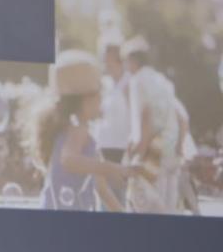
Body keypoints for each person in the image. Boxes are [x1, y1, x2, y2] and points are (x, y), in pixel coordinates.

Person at [29, 49, 131, 211]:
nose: (102, 100)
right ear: (85, 99)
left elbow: (102, 188)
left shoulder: (77, 132)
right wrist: (109, 167)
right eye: (99, 94)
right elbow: (68, 160)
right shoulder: (78, 130)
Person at [122, 36, 183, 213]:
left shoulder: (137, 81)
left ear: (133, 61)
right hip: (171, 148)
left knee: (147, 208)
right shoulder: (163, 80)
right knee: (168, 209)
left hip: (153, 152)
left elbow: (145, 117)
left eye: (126, 61)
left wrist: (138, 154)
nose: (125, 66)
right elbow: (179, 115)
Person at [93, 31, 130, 204]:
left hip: (123, 151)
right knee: (104, 200)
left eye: (105, 56)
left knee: (119, 199)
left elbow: (135, 119)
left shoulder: (129, 83)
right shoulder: (105, 84)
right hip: (103, 149)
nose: (103, 61)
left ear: (116, 57)